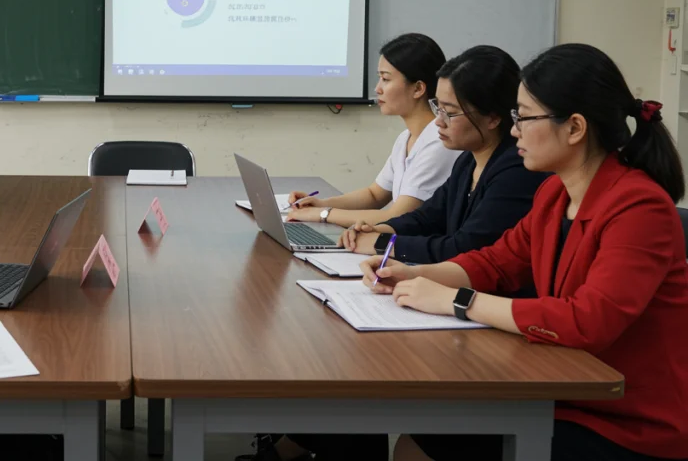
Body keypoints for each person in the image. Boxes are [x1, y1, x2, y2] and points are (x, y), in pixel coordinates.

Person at [364, 44, 688, 461]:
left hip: (626, 422)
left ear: (574, 127)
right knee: (420, 439)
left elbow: (587, 320)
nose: (514, 130)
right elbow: (496, 261)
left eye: (524, 117)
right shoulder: (554, 192)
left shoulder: (639, 207)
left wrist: (459, 301)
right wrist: (414, 273)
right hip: (558, 389)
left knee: (429, 440)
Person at [339, 45, 548, 263]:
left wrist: (382, 243)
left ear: (493, 117)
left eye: (450, 112)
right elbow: (427, 217)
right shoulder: (468, 160)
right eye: (437, 107)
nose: (439, 120)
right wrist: (380, 229)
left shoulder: (516, 171)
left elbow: (463, 248)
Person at [289, 34, 460, 228]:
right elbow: (374, 194)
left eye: (386, 79)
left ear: (418, 88)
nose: (377, 88)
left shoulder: (439, 141)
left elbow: (398, 215)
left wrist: (323, 214)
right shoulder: (405, 138)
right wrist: (321, 204)